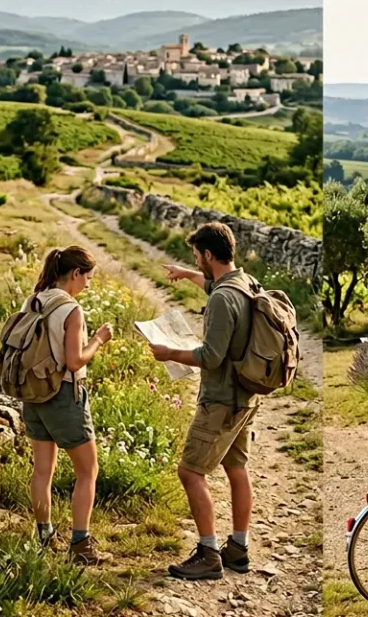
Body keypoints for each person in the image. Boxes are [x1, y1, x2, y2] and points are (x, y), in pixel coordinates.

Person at [149, 222, 258, 581]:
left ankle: (209, 554)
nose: (195, 261)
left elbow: (211, 356)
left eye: (197, 256)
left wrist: (169, 352)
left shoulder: (222, 300)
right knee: (236, 468)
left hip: (221, 401)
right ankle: (238, 549)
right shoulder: (244, 283)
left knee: (190, 471)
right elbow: (212, 283)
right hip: (245, 397)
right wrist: (186, 273)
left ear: (209, 255)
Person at [19, 247, 114, 565]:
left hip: (34, 393)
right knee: (87, 471)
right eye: (88, 277)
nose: (88, 284)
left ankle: (44, 536)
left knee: (42, 470)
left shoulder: (33, 300)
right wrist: (98, 339)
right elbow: (74, 361)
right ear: (75, 274)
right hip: (63, 394)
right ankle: (81, 545)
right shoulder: (71, 309)